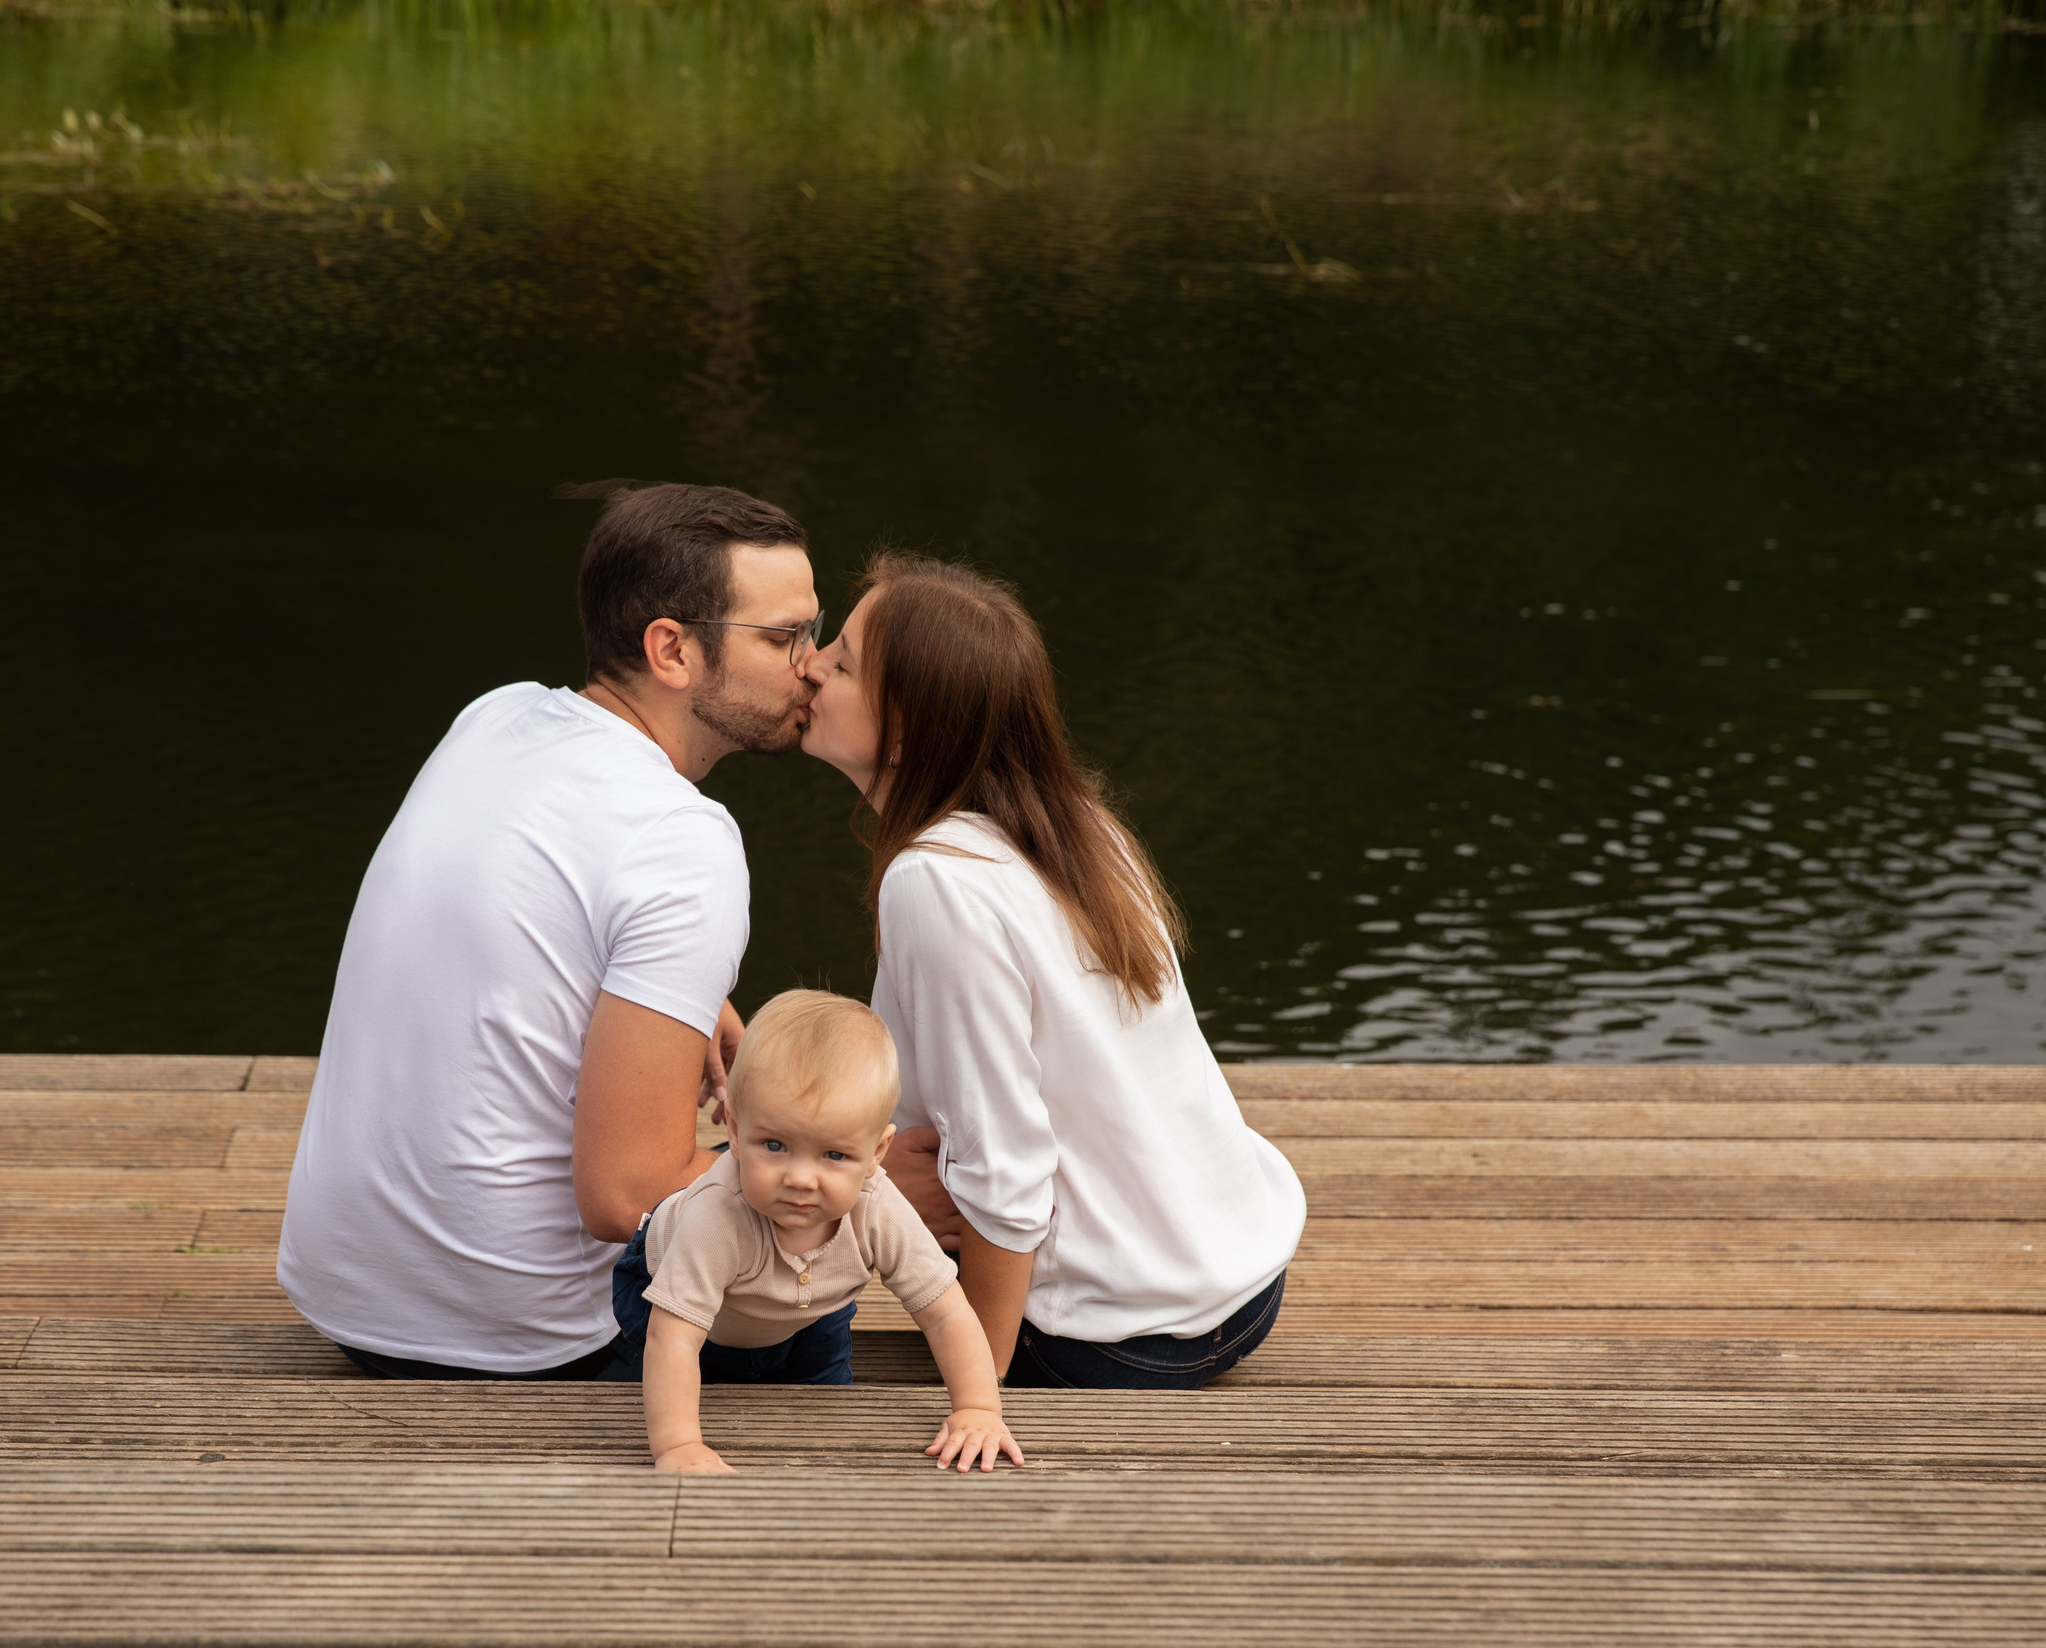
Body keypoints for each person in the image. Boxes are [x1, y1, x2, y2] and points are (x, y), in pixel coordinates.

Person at [276, 481, 819, 1379]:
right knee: (821, 1287)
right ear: (673, 650)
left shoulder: (496, 716)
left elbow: (525, 913)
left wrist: (690, 990)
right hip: (522, 1340)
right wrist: (855, 1184)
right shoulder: (683, 838)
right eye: (784, 636)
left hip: (345, 1296)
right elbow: (625, 1194)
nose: (813, 663)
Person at [798, 554, 1306, 1390]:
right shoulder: (1076, 824)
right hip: (1247, 1285)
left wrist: (979, 1386)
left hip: (1116, 1336)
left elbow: (1005, 1171)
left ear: (906, 733)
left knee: (759, 1186)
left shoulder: (937, 880)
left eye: (842, 662)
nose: (812, 665)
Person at [605, 988, 1023, 1474]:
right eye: (775, 1145)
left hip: (810, 1308)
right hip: (678, 1300)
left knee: (826, 1412)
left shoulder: (877, 1208)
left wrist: (978, 1408)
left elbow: (946, 1311)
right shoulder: (716, 1216)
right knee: (653, 1389)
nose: (801, 1179)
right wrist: (677, 1446)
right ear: (735, 1132)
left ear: (877, 1153)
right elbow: (674, 1339)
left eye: (834, 1155)